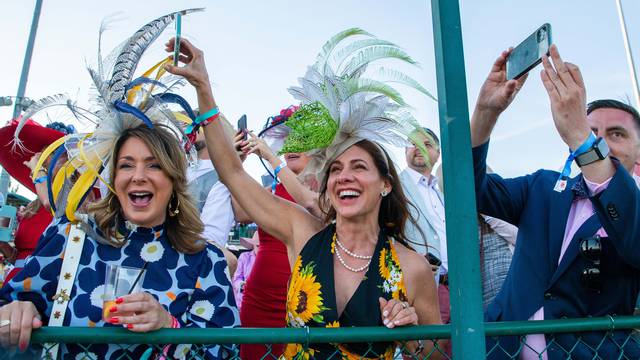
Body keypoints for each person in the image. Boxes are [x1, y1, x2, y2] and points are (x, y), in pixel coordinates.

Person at [165, 28, 443, 359]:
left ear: (385, 184)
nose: (344, 177)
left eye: (358, 167)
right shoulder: (303, 233)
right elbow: (234, 174)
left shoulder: (411, 268)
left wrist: (413, 334)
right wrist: (203, 88)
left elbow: (434, 353)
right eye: (335, 170)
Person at [0, 10, 238, 359]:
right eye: (127, 165)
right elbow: (14, 305)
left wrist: (168, 329)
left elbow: (227, 351)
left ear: (173, 180)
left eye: (153, 165)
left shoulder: (205, 260)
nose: (138, 175)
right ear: (114, 180)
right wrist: (14, 313)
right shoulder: (70, 237)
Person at [471, 44, 640, 359]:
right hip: (500, 350)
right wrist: (485, 112)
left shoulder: (635, 206)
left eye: (616, 134)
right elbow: (471, 189)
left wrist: (581, 138)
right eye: (591, 132)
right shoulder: (543, 186)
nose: (600, 141)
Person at [234, 108, 318, 359]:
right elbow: (241, 214)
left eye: (302, 141)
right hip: (259, 297)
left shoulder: (323, 184)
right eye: (287, 140)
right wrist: (239, 162)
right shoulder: (272, 186)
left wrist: (272, 159)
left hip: (302, 297)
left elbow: (308, 202)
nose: (292, 146)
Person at [0, 120, 74, 284]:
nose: (46, 158)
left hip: (46, 287)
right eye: (45, 153)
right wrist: (3, 244)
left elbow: (53, 205)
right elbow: (20, 258)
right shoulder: (34, 204)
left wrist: (37, 172)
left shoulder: (74, 198)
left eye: (56, 152)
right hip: (16, 282)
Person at [400, 128, 451, 324]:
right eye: (413, 143)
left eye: (427, 144)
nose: (419, 147)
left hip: (452, 289)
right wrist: (410, 259)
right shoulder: (394, 186)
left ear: (437, 154)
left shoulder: (442, 195)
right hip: (417, 288)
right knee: (424, 352)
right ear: (405, 151)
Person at [232, 232, 259, 310]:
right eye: (258, 246)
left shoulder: (269, 259)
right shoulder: (244, 257)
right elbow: (236, 278)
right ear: (253, 245)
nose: (260, 248)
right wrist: (243, 285)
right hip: (243, 300)